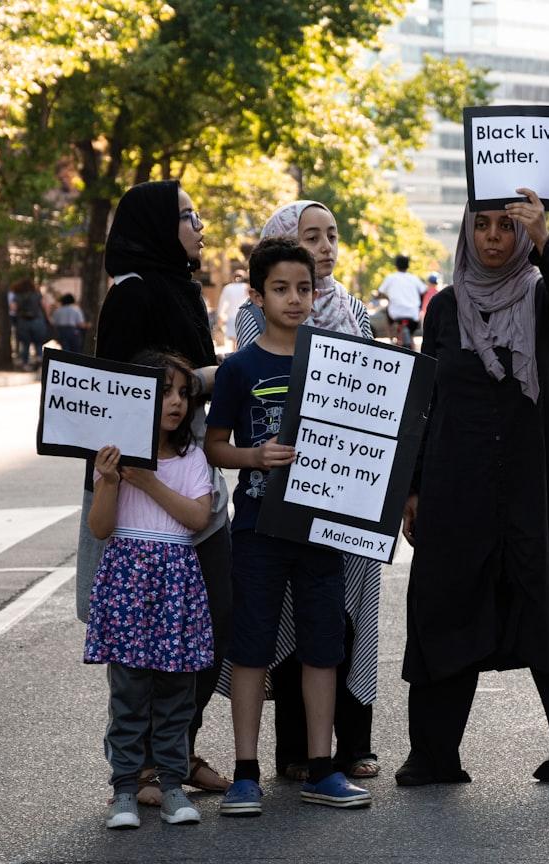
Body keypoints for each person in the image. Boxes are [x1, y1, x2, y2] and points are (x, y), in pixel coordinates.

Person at [397, 188, 549, 788]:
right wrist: (412, 488)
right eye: (481, 225)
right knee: (444, 603)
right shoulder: (444, 309)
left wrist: (545, 240)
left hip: (532, 484)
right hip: (455, 486)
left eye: (505, 227)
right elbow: (425, 404)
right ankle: (433, 755)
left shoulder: (541, 296)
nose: (492, 237)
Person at [75, 179, 232, 804]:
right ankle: (140, 767)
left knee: (208, 628)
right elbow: (119, 388)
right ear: (155, 227)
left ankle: (177, 752)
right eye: (188, 216)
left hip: (192, 476)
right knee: (140, 641)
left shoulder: (182, 290)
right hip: (141, 485)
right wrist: (210, 377)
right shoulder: (134, 293)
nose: (198, 227)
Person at [206, 237, 373, 814]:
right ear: (256, 294)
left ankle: (321, 767)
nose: (295, 299)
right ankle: (245, 772)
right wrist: (254, 458)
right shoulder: (238, 368)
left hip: (321, 531)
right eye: (281, 289)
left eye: (304, 289)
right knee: (251, 649)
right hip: (255, 531)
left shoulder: (336, 365)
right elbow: (214, 446)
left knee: (323, 650)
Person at [85, 350, 214, 829]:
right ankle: (124, 789)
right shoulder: (113, 456)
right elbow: (101, 528)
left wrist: (149, 481)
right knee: (129, 693)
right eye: (164, 391)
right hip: (128, 582)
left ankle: (173, 785)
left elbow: (198, 517)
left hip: (176, 581)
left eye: (183, 392)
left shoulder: (192, 457)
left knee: (177, 693)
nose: (176, 401)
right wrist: (112, 480)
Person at [378, 254, 426, 346]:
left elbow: (380, 292)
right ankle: (412, 343)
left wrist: (387, 298)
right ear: (408, 266)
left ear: (396, 265)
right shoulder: (414, 278)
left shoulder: (390, 278)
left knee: (386, 317)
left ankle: (391, 340)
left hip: (395, 314)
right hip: (413, 314)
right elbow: (424, 290)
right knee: (412, 336)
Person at [11, 277, 50, 370]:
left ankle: (25, 364)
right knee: (38, 343)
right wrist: (48, 318)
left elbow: (13, 308)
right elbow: (45, 306)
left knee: (25, 344)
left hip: (23, 322)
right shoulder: (37, 294)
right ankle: (39, 361)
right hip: (37, 321)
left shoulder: (17, 295)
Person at [217, 270, 249, 352]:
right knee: (242, 339)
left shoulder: (228, 287)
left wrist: (220, 315)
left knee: (234, 340)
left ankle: (235, 356)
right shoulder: (246, 287)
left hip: (231, 316)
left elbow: (222, 302)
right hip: (244, 315)